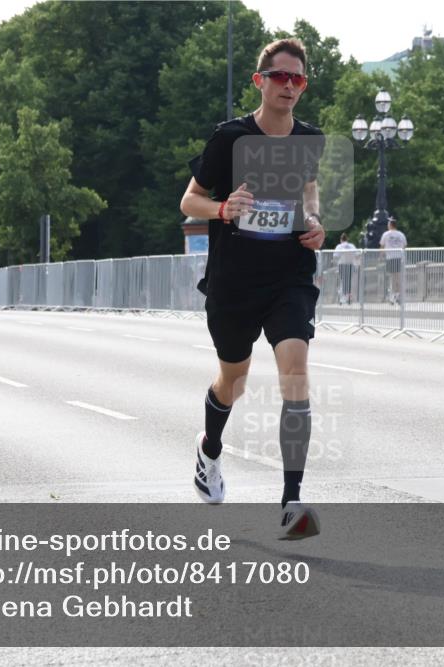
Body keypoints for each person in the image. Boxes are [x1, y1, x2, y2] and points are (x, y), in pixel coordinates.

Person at [179, 38, 325, 540]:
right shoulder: (230, 139)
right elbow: (190, 201)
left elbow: (309, 194)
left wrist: (315, 223)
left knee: (296, 372)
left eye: (298, 79)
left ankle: (292, 501)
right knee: (233, 381)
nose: (289, 86)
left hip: (289, 274)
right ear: (259, 81)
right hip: (235, 280)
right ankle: (209, 451)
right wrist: (222, 209)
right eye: (280, 77)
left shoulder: (309, 140)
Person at [379, 217, 407, 304]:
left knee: (392, 277)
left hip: (390, 258)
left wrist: (380, 256)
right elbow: (404, 246)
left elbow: (382, 246)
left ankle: (394, 295)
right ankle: (397, 294)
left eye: (388, 224)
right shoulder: (401, 234)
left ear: (390, 225)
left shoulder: (386, 234)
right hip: (399, 258)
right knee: (397, 277)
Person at [333, 232, 359, 304]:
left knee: (343, 281)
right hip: (350, 264)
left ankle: (343, 296)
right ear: (347, 239)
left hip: (342, 265)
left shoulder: (339, 246)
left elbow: (335, 256)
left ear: (341, 239)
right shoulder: (351, 246)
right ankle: (346, 296)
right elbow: (357, 255)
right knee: (348, 281)